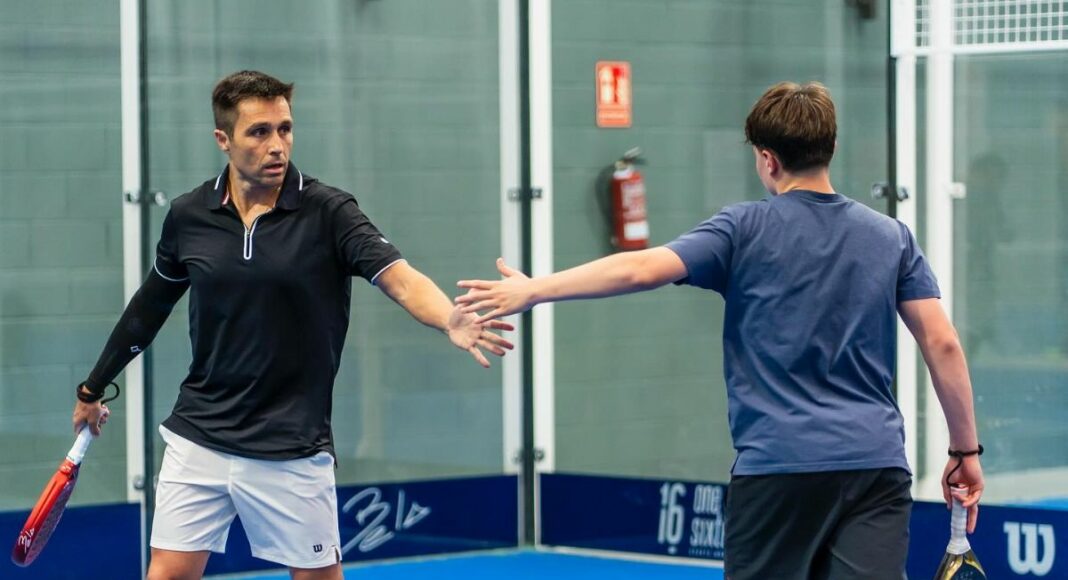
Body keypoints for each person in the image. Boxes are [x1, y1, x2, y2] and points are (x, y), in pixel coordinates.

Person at [456, 82, 984, 579]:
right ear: (831, 148)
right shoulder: (891, 236)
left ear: (767, 159)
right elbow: (942, 343)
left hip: (778, 470)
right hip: (876, 467)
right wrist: (965, 452)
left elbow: (639, 268)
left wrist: (535, 289)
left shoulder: (742, 228)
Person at [71, 70, 513, 580]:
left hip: (292, 447)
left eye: (285, 128)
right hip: (200, 435)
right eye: (259, 132)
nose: (276, 145)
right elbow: (149, 307)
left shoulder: (330, 211)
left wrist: (448, 318)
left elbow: (398, 278)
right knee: (166, 573)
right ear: (224, 140)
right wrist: (93, 386)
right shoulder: (189, 215)